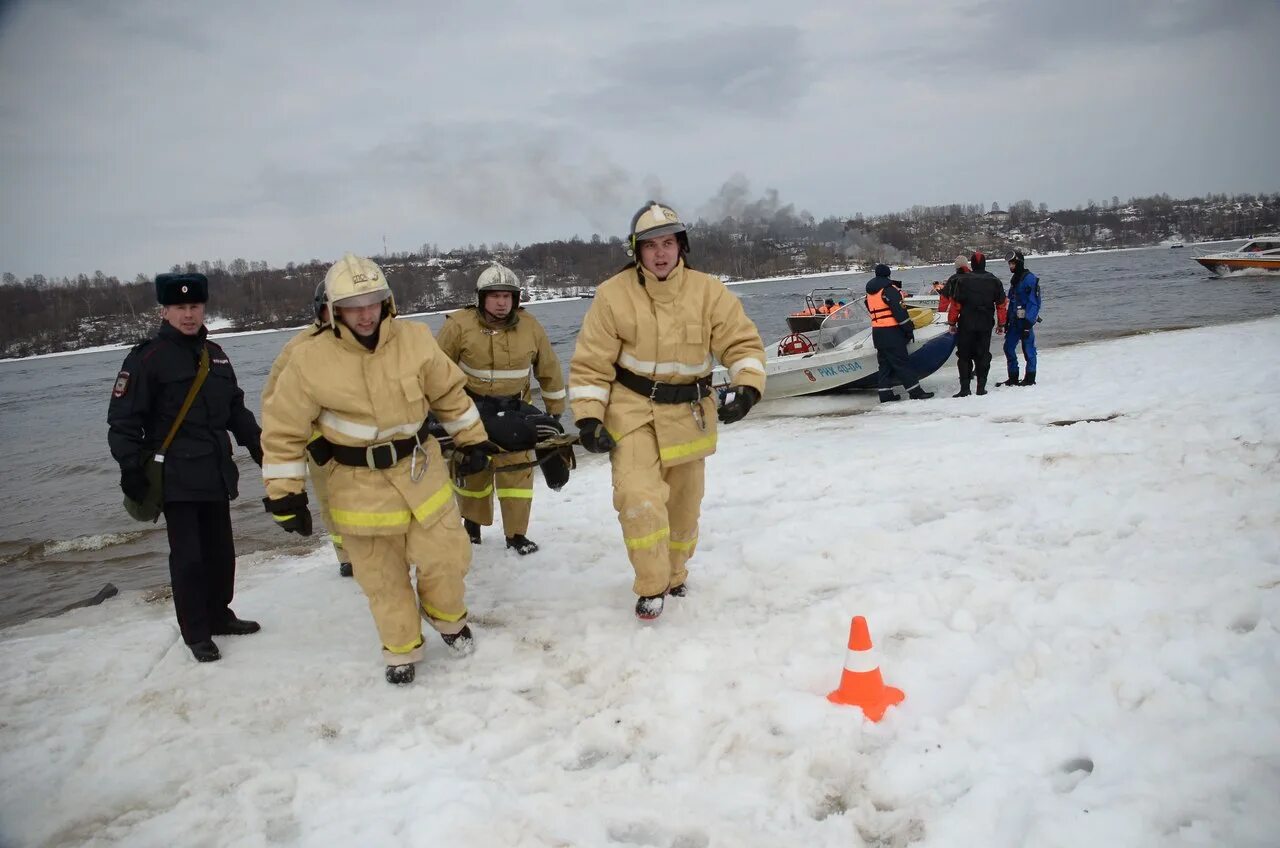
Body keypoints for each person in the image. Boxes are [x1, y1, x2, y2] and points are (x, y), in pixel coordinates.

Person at [259, 254, 492, 685]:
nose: (365, 314)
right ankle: (402, 648)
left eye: (373, 302)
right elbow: (282, 431)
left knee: (447, 556)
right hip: (356, 486)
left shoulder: (417, 339)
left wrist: (473, 440)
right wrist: (284, 492)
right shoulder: (307, 360)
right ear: (334, 309)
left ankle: (449, 621)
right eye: (353, 305)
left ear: (388, 302)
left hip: (421, 472)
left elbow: (451, 397)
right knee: (382, 579)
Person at [568, 201, 766, 621]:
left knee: (684, 506)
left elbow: (742, 344)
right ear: (636, 252)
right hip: (631, 409)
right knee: (638, 498)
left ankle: (675, 574)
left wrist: (748, 387)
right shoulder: (611, 296)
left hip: (690, 413)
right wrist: (588, 416)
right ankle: (651, 585)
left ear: (682, 247)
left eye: (668, 243)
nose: (660, 253)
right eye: (650, 245)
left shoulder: (709, 292)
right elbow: (591, 363)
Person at [107, 272, 262, 663]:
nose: (189, 314)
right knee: (189, 558)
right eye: (180, 307)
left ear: (203, 308)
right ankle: (196, 632)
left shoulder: (217, 355)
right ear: (165, 310)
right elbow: (124, 421)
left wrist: (259, 444)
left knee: (222, 554)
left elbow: (234, 409)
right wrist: (130, 470)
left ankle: (219, 616)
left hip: (215, 471)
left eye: (194, 306)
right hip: (174, 478)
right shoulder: (147, 358)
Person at [436, 262, 566, 555]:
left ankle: (517, 535)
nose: (501, 302)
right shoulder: (457, 325)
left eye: (507, 296)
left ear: (516, 299)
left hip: (516, 411)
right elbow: (435, 372)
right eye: (494, 296)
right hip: (471, 412)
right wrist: (435, 415)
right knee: (472, 470)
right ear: (481, 298)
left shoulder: (531, 326)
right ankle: (472, 525)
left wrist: (555, 410)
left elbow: (549, 368)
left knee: (517, 474)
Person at [261, 281, 353, 577]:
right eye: (333, 308)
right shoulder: (300, 348)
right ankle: (346, 556)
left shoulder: (373, 343)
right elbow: (277, 404)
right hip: (323, 448)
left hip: (368, 444)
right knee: (333, 503)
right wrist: (314, 440)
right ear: (320, 309)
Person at [864, 264, 935, 403]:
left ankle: (885, 395)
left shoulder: (870, 293)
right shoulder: (889, 290)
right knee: (902, 363)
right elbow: (900, 313)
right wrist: (909, 329)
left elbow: (870, 308)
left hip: (877, 333)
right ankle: (915, 392)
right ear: (888, 275)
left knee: (884, 365)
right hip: (891, 332)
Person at [946, 251, 1008, 396]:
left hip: (967, 322)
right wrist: (1001, 324)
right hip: (985, 323)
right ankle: (981, 387)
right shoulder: (994, 280)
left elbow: (955, 304)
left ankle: (965, 388)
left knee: (964, 355)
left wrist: (952, 323)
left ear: (972, 264)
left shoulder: (963, 281)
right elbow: (1001, 304)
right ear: (984, 264)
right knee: (983, 354)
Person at [1001, 249, 1042, 386]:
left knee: (1028, 349)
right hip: (1014, 321)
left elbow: (1034, 303)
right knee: (1008, 347)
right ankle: (1013, 377)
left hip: (1025, 322)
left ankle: (1030, 378)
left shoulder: (1030, 279)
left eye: (1012, 264)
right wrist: (1006, 320)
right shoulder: (1015, 280)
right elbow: (1012, 301)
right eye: (1009, 264)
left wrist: (1028, 324)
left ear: (1018, 263)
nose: (1010, 267)